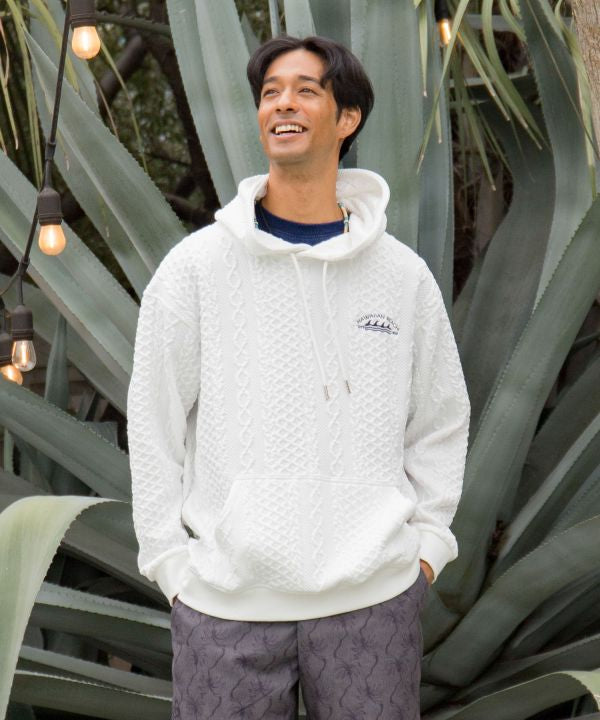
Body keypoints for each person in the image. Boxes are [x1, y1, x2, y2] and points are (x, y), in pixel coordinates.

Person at [127, 33, 470, 720]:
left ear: (348, 119)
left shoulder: (402, 276)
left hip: (373, 601)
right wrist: (171, 565)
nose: (282, 104)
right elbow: (153, 419)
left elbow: (441, 417)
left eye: (306, 90)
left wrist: (428, 547)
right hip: (223, 608)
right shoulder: (195, 269)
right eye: (270, 92)